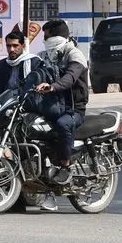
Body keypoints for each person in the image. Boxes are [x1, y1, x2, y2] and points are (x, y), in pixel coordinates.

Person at [33, 19, 89, 185]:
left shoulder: (75, 55)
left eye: (47, 37)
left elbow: (70, 78)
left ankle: (65, 165)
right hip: (51, 107)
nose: (44, 40)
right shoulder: (44, 56)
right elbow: (33, 73)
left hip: (73, 109)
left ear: (57, 37)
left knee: (63, 124)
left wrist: (52, 87)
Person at [0, 29, 42, 96]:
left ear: (23, 46)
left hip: (27, 100)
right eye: (8, 46)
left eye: (15, 46)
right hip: (4, 100)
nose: (11, 49)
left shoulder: (34, 62)